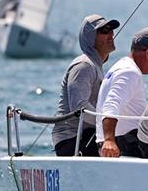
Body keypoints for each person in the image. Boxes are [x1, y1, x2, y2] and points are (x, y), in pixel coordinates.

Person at [96, 28, 148, 158]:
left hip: (121, 142)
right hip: (124, 145)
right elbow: (111, 105)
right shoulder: (130, 72)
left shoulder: (122, 65)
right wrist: (109, 140)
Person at [51, 14, 119, 156]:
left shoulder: (96, 66)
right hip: (72, 139)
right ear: (90, 37)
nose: (111, 33)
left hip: (88, 135)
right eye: (104, 31)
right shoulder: (84, 65)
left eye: (111, 30)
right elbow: (79, 107)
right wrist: (108, 124)